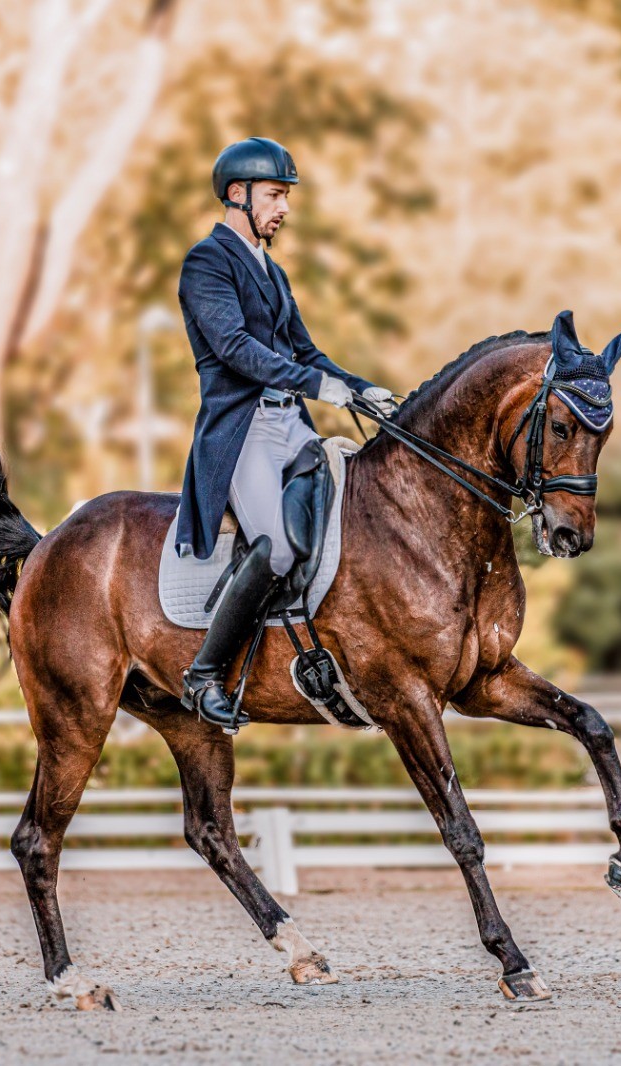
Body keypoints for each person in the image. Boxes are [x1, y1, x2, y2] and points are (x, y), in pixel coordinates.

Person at [173, 137, 395, 729]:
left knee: (349, 523)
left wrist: (361, 388)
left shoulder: (273, 270)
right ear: (237, 194)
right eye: (275, 195)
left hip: (288, 424)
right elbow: (236, 350)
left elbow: (304, 350)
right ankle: (203, 675)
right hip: (242, 429)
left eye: (285, 197)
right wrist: (320, 387)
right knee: (279, 544)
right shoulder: (206, 262)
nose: (284, 209)